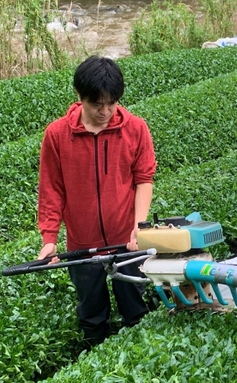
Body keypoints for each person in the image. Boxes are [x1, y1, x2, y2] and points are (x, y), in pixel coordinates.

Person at [37, 55, 157, 347]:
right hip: (81, 242)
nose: (105, 111)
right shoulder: (56, 135)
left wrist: (138, 227)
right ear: (79, 97)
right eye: (96, 104)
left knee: (135, 306)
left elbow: (144, 179)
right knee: (91, 312)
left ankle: (140, 355)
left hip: (125, 238)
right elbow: (51, 189)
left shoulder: (135, 128)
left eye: (111, 103)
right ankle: (95, 352)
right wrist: (49, 238)